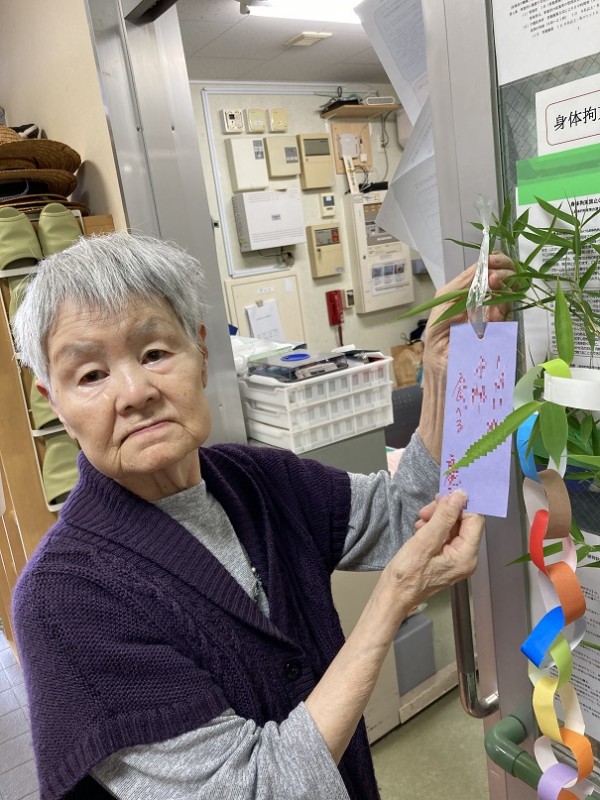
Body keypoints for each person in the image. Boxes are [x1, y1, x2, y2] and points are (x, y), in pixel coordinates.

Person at [11, 232, 512, 800]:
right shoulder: (65, 600)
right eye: (91, 375)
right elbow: (255, 789)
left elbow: (402, 515)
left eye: (154, 353)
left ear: (201, 355)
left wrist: (445, 372)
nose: (134, 392)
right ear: (54, 402)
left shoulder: (255, 479)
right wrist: (390, 602)